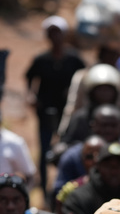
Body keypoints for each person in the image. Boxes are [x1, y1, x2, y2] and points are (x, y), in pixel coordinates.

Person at [26, 16, 86, 192]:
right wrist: (31, 96)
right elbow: (30, 78)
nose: (55, 37)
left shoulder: (74, 59)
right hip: (45, 111)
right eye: (51, 33)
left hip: (67, 112)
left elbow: (84, 77)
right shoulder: (41, 59)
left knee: (67, 147)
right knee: (45, 149)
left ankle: (65, 186)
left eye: (58, 32)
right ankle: (44, 188)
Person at [53, 104, 120, 197]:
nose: (108, 130)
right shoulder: (73, 156)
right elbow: (59, 192)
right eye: (104, 125)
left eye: (113, 125)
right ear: (93, 125)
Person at [60, 63, 120, 146]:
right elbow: (69, 142)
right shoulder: (81, 118)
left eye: (108, 90)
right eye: (100, 89)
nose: (104, 93)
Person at [55, 135, 107, 210]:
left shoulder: (118, 186)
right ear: (82, 159)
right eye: (89, 157)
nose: (95, 161)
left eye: (99, 156)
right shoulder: (71, 190)